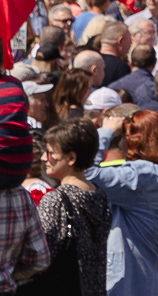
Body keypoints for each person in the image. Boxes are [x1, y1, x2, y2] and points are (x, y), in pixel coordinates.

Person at [93, 109, 158, 296]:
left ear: (135, 140)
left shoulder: (140, 175)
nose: (121, 143)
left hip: (130, 281)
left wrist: (106, 131)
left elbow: (88, 174)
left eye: (125, 137)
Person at [33, 119, 110, 296]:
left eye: (50, 152)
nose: (44, 157)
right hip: (95, 288)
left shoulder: (57, 199)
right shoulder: (98, 194)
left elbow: (41, 255)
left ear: (71, 158)